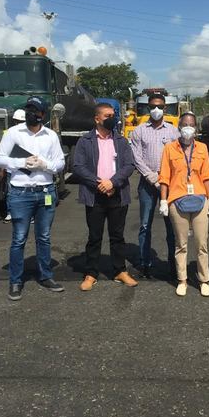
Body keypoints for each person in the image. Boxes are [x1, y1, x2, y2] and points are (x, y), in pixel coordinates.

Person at [0, 96, 66, 301]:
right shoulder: (13, 133)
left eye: (35, 110)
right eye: (28, 110)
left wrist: (45, 165)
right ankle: (15, 281)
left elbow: (60, 162)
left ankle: (46, 276)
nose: (31, 114)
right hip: (20, 193)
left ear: (43, 114)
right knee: (19, 238)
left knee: (44, 237)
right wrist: (21, 162)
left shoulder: (50, 135)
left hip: (45, 191)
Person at [73, 102, 138, 291]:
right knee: (94, 236)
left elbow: (129, 165)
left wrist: (113, 182)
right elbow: (78, 167)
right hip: (95, 195)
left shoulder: (121, 140)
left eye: (113, 115)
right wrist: (99, 183)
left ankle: (119, 270)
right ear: (97, 119)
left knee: (117, 236)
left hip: (117, 194)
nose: (112, 119)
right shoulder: (85, 141)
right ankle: (91, 273)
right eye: (107, 116)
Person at [158, 112, 209, 296]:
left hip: (199, 198)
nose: (188, 128)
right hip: (176, 199)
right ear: (179, 128)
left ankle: (204, 279)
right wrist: (164, 200)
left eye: (192, 124)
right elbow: (164, 175)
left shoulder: (203, 148)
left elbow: (206, 175)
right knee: (180, 243)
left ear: (196, 128)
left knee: (201, 243)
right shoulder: (170, 149)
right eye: (185, 124)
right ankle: (182, 279)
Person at [130, 93, 180, 279]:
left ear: (165, 108)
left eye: (159, 106)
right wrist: (151, 176)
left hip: (170, 184)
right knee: (145, 224)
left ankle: (173, 266)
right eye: (152, 106)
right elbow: (136, 156)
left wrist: (166, 178)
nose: (155, 110)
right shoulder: (139, 131)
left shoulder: (174, 132)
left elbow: (178, 156)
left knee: (172, 226)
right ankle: (145, 264)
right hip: (147, 183)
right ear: (148, 108)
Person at [2, 109, 27, 223]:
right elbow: (4, 151)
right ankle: (10, 213)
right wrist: (2, 168)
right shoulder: (8, 133)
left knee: (26, 191)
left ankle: (28, 214)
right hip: (11, 168)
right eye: (17, 121)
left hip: (25, 168)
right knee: (11, 192)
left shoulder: (30, 134)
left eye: (21, 121)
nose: (19, 124)